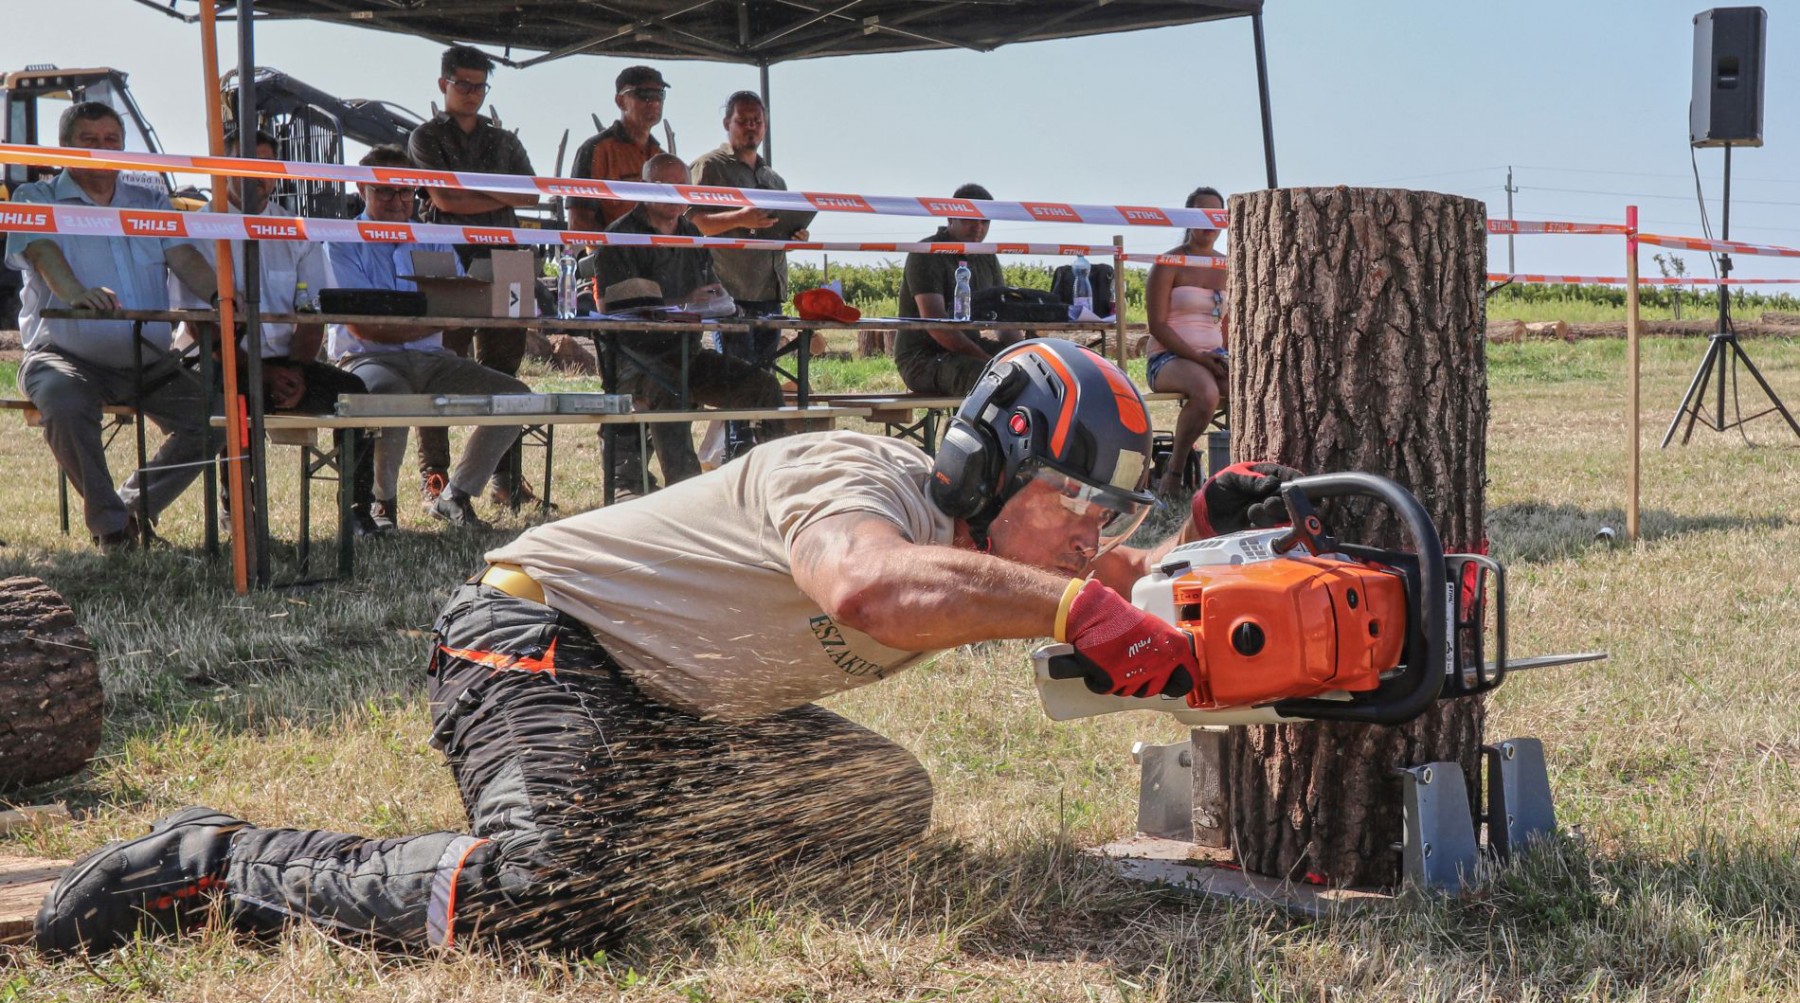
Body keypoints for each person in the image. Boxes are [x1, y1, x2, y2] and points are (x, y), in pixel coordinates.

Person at [34, 338, 1299, 959]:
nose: (1092, 538)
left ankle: (605, 832)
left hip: (675, 702)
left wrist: (1196, 544)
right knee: (550, 900)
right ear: (994, 461)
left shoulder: (1019, 547)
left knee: (879, 799)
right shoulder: (854, 476)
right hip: (531, 639)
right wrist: (1079, 608)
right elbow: (867, 590)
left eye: (1109, 513)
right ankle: (209, 864)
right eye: (1079, 503)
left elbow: (1114, 590)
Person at [4, 101, 221, 547]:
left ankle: (131, 508)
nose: (103, 150)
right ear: (66, 149)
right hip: (64, 357)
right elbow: (43, 252)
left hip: (151, 363)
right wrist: (74, 292)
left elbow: (184, 258)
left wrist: (224, 297)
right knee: (63, 402)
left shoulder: (152, 202)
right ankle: (113, 529)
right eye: (90, 141)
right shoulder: (35, 199)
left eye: (112, 141)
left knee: (217, 417)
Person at [174, 128, 381, 535]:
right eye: (247, 166)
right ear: (224, 167)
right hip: (224, 361)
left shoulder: (295, 229)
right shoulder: (200, 228)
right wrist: (262, 374)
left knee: (354, 394)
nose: (258, 177)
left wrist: (298, 372)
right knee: (233, 400)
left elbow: (312, 312)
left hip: (290, 362)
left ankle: (355, 509)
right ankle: (239, 510)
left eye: (267, 167)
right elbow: (201, 326)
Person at [325, 145, 526, 530]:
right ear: (360, 187)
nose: (398, 200)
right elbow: (364, 327)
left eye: (406, 191)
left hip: (433, 360)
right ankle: (381, 503)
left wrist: (440, 318)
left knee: (518, 398)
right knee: (388, 399)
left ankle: (455, 495)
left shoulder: (432, 238)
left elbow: (458, 307)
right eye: (385, 190)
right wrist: (436, 322)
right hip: (367, 360)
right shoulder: (341, 242)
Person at [594, 153, 781, 493]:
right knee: (672, 389)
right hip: (636, 360)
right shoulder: (620, 237)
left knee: (764, 388)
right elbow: (616, 310)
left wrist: (722, 303)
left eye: (681, 186)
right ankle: (685, 493)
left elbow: (708, 291)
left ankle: (769, 483)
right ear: (645, 189)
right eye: (665, 186)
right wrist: (682, 303)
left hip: (688, 354)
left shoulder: (692, 233)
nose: (674, 194)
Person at [407, 44, 541, 512]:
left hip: (506, 257)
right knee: (440, 365)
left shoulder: (504, 139)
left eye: (480, 85)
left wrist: (471, 193)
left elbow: (528, 196)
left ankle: (503, 478)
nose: (472, 93)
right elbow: (444, 202)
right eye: (463, 84)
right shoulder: (424, 136)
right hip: (449, 257)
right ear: (444, 84)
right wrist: (494, 194)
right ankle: (434, 478)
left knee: (507, 368)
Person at [687, 90, 813, 365]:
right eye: (743, 121)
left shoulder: (774, 179)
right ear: (727, 124)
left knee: (764, 372)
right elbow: (691, 225)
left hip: (769, 292)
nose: (751, 127)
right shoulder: (709, 167)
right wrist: (738, 219)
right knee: (737, 373)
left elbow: (774, 229)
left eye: (757, 121)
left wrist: (795, 235)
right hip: (730, 292)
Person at [894, 183, 1020, 398]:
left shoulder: (986, 256)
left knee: (1029, 371)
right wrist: (988, 361)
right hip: (922, 358)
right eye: (970, 219)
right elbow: (935, 324)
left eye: (984, 221)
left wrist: (1022, 352)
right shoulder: (926, 252)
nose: (978, 227)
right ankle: (972, 430)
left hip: (967, 351)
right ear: (950, 217)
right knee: (988, 379)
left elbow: (1003, 317)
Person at [1144, 186, 1229, 496]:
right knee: (1205, 392)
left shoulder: (1227, 265)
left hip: (1214, 355)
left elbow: (1228, 326)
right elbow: (1158, 325)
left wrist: (1227, 359)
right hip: (1169, 357)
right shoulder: (1169, 263)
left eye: (1216, 215)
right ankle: (1174, 473)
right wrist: (1198, 357)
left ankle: (1236, 473)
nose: (1209, 223)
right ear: (1187, 219)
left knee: (1247, 391)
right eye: (1200, 215)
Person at [566, 65, 668, 233]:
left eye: (659, 95)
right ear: (620, 101)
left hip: (655, 255)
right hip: (607, 255)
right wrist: (620, 250)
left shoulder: (661, 157)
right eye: (644, 95)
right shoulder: (596, 150)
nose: (655, 102)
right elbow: (579, 222)